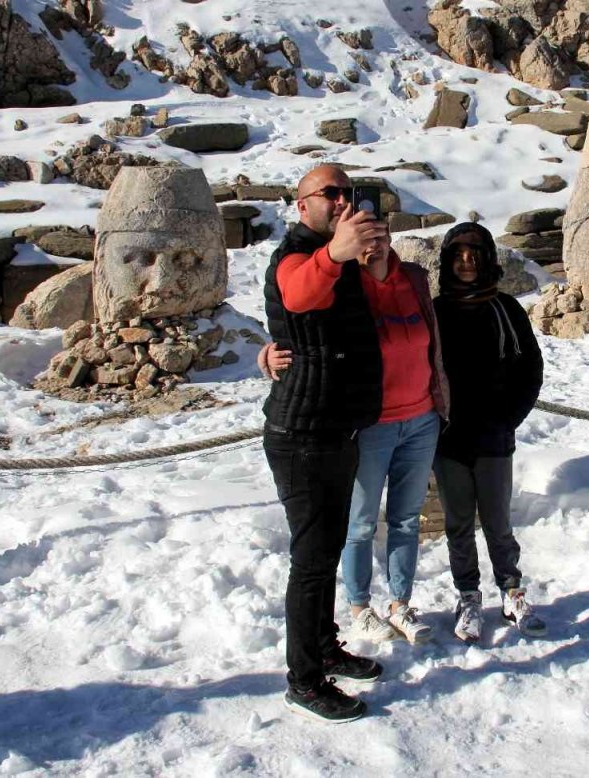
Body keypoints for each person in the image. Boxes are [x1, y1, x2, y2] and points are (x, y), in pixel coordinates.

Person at [261, 179, 449, 651]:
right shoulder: (346, 282)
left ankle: (400, 602)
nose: (374, 244)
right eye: (367, 239)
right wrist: (272, 353)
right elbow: (301, 315)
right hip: (370, 420)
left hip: (421, 417)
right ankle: (359, 606)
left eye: (380, 236)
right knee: (361, 522)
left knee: (405, 519)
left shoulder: (414, 280)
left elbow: (434, 338)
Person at [262, 163, 392, 723]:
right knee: (311, 563)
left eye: (348, 191)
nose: (342, 201)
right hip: (302, 434)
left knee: (327, 552)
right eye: (329, 193)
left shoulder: (341, 256)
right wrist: (337, 253)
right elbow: (296, 295)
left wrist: (375, 261)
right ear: (303, 206)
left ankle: (323, 646)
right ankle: (304, 679)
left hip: (336, 427)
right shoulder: (298, 253)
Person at [431, 222, 546, 643]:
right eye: (458, 255)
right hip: (449, 440)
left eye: (474, 255)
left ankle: (512, 590)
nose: (466, 262)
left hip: (495, 436)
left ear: (487, 260)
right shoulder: (436, 311)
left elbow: (530, 368)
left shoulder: (506, 309)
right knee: (459, 524)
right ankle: (467, 595)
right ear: (447, 261)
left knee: (498, 523)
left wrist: (508, 418)